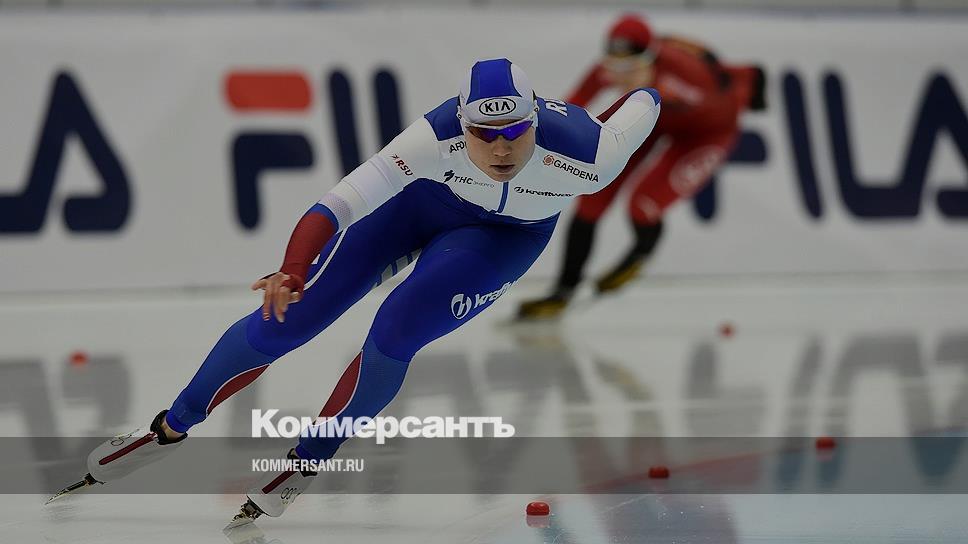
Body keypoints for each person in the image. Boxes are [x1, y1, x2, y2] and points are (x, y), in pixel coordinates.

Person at [50, 58, 661, 526]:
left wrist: (645, 78)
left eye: (515, 132)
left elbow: (647, 99)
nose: (501, 148)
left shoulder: (592, 155)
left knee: (394, 333)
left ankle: (304, 463)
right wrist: (292, 268)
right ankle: (168, 428)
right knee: (289, 317)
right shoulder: (431, 138)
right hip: (423, 205)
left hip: (505, 239)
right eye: (483, 133)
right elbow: (337, 204)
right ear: (462, 124)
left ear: (534, 122)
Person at [517, 14, 766, 320]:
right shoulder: (609, 70)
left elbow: (726, 87)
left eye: (631, 68)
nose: (619, 77)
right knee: (592, 194)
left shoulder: (686, 77)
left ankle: (639, 254)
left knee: (644, 204)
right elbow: (572, 105)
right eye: (614, 67)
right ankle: (563, 290)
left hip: (707, 133)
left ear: (652, 59)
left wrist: (749, 86)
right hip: (656, 119)